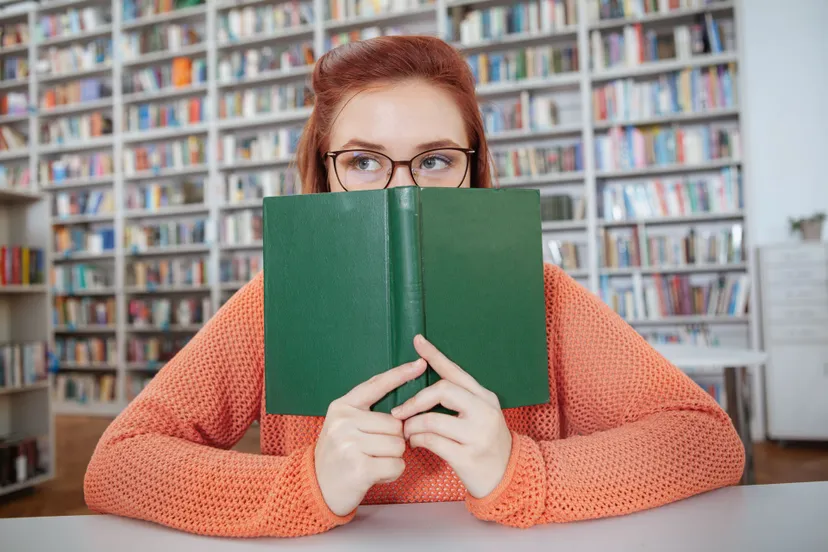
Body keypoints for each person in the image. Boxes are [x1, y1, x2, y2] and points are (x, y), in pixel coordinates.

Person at [84, 36, 745, 537]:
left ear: (473, 166)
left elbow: (705, 440)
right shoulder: (275, 298)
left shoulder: (542, 293)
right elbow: (118, 464)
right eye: (365, 162)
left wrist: (519, 470)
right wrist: (306, 482)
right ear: (325, 171)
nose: (403, 190)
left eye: (433, 160)